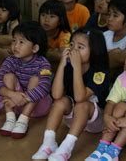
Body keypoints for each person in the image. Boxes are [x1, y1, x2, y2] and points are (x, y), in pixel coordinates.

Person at [32, 27, 110, 161]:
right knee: (60, 101)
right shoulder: (68, 67)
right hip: (73, 120)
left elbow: (80, 97)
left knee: (82, 104)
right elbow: (56, 95)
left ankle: (66, 148)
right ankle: (49, 142)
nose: (74, 50)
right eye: (72, 45)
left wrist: (77, 68)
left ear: (94, 51)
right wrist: (62, 65)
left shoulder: (100, 73)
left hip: (95, 122)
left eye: (81, 47)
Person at [0, 21, 52, 139]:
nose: (15, 46)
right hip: (15, 105)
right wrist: (13, 95)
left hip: (39, 106)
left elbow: (44, 87)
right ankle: (10, 118)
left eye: (21, 42)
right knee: (7, 76)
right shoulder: (10, 60)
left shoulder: (43, 63)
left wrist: (22, 98)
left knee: (36, 80)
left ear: (35, 48)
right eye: (14, 41)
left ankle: (23, 121)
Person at [39, 0, 72, 64]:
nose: (46, 20)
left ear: (60, 20)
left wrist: (41, 51)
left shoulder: (65, 35)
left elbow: (64, 56)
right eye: (43, 15)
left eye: (52, 16)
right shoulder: (37, 31)